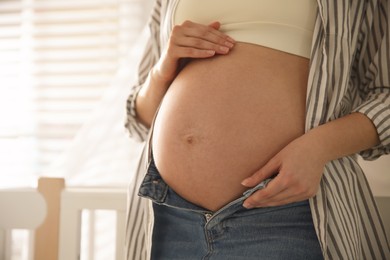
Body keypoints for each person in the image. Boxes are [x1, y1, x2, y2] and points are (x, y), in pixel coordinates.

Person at [125, 0, 390, 259]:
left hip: (284, 212)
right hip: (170, 215)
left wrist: (318, 147)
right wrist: (163, 68)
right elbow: (140, 120)